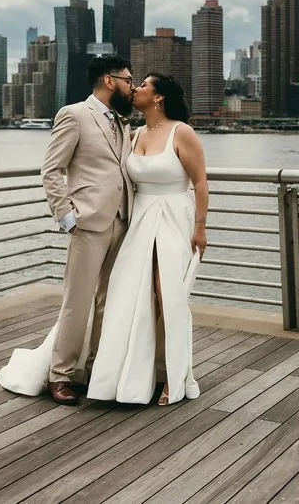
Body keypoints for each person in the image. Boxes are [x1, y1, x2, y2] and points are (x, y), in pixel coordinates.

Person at [0, 55, 135, 405]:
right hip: (88, 223)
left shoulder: (123, 121)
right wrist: (67, 217)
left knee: (108, 302)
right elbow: (51, 170)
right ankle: (61, 374)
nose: (131, 87)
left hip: (122, 220)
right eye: (127, 80)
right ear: (108, 80)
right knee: (77, 302)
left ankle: (95, 368)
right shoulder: (74, 115)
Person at [85, 73, 208, 405]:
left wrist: (200, 227)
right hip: (139, 221)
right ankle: (132, 374)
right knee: (133, 297)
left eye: (143, 85)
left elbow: (200, 184)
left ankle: (175, 377)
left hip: (174, 220)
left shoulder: (182, 132)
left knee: (168, 295)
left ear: (159, 98)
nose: (135, 88)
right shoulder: (134, 133)